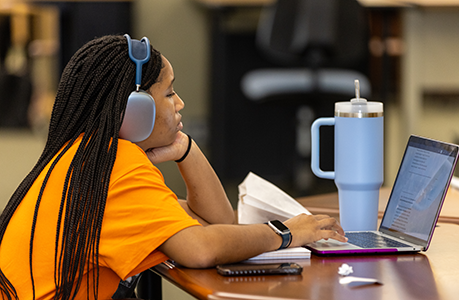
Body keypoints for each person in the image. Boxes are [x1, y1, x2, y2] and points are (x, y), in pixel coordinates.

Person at [0, 35, 346, 299]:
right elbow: (200, 248)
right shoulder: (116, 165)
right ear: (134, 111)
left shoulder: (86, 157)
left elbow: (217, 224)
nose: (180, 103)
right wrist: (286, 233)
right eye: (169, 94)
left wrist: (186, 150)